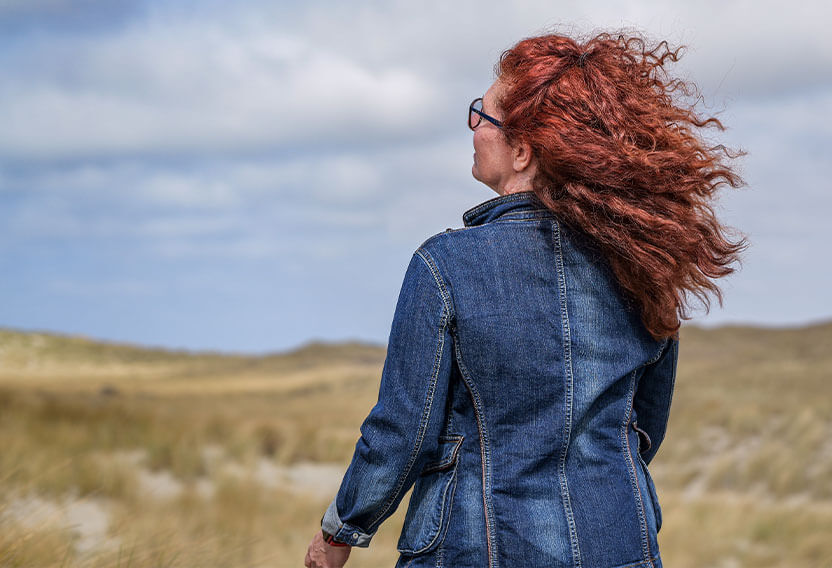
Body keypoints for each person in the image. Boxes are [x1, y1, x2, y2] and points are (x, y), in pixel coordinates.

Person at [305, 31, 745, 568]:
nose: (471, 127)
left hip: (480, 549)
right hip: (621, 544)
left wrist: (340, 532)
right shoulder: (643, 261)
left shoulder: (446, 265)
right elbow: (644, 427)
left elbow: (403, 431)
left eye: (482, 116)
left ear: (522, 150)